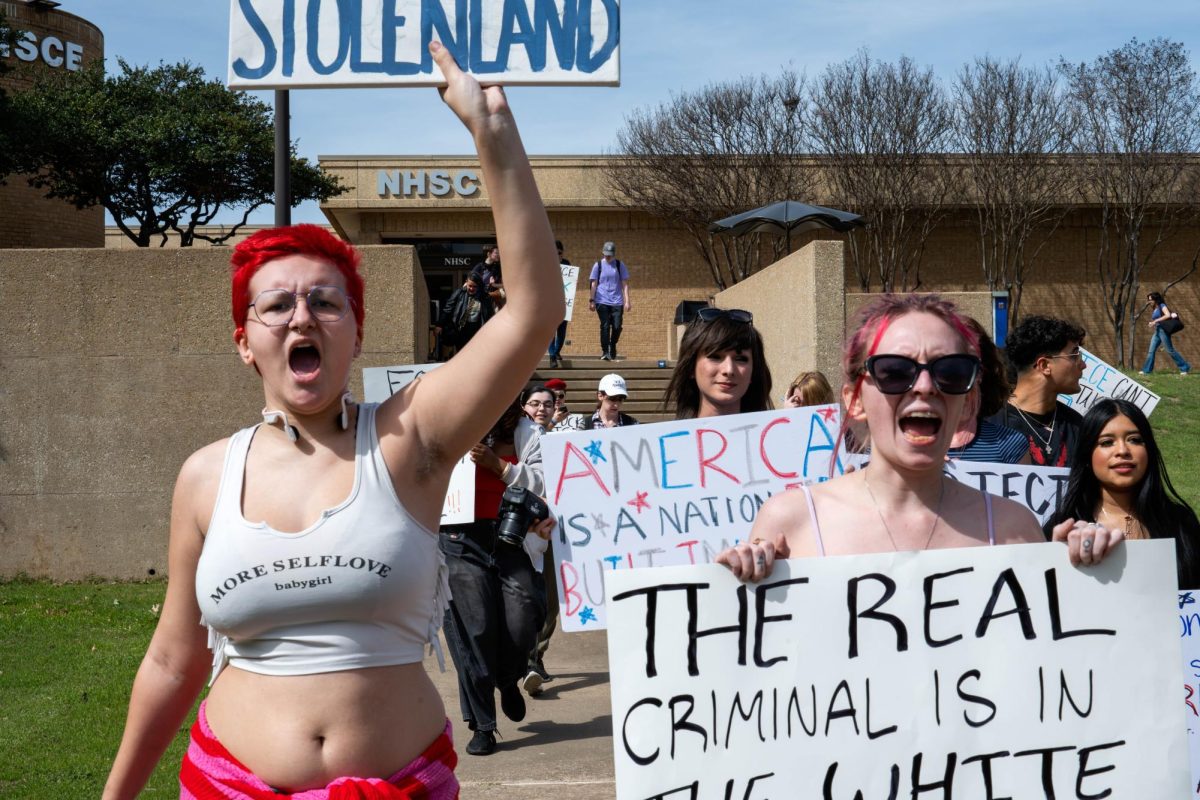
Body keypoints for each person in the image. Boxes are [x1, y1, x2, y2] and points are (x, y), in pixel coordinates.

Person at [103, 42, 564, 799]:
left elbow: (534, 309)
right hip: (228, 785)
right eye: (275, 305)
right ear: (244, 342)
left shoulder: (408, 440)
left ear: (354, 328)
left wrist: (492, 132)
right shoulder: (205, 477)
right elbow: (171, 661)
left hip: (400, 784)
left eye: (324, 300)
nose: (300, 316)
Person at [718, 294, 1109, 582]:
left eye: (951, 371)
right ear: (854, 400)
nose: (924, 386)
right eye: (894, 371)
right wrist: (731, 586)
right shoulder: (791, 521)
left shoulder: (1014, 529)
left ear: (968, 398)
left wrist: (1082, 578)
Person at [441, 395, 552, 756]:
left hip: (511, 538)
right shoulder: (448, 423)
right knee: (473, 630)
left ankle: (509, 677)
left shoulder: (526, 432)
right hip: (457, 539)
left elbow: (547, 484)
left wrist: (499, 467)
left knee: (523, 618)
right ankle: (482, 725)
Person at [1044, 398, 1200, 587]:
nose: (1123, 450)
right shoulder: (1063, 527)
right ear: (1087, 455)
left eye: (1134, 440)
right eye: (1107, 442)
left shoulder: (1181, 522)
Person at [987, 315, 1086, 467]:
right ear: (1045, 365)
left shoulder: (1078, 427)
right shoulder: (990, 428)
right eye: (1074, 356)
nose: (1083, 364)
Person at [663, 307, 773, 419]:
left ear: (753, 371)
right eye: (715, 357)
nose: (729, 370)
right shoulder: (661, 436)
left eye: (740, 359)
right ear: (691, 367)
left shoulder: (779, 435)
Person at [947, 317, 1030, 464]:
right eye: (948, 366)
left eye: (971, 365)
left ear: (984, 372)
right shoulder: (901, 447)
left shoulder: (1009, 444)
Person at [435, 272, 494, 359]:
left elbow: (489, 315)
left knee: (475, 355)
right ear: (466, 282)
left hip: (476, 329)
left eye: (475, 286)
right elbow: (448, 309)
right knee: (462, 355)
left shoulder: (485, 297)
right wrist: (439, 325)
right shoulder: (459, 293)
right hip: (460, 329)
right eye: (470, 286)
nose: (471, 288)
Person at [588, 241, 630, 361]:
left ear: (614, 254)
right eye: (606, 254)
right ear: (603, 252)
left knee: (617, 326)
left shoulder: (619, 265)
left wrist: (627, 301)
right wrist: (591, 300)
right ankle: (605, 351)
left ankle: (613, 345)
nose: (608, 256)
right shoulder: (598, 265)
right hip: (602, 300)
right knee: (605, 326)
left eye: (610, 254)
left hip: (617, 301)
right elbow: (594, 284)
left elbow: (625, 284)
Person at [1140, 291, 1191, 376]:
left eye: (1150, 300)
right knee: (1151, 351)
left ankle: (1185, 367)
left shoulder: (1162, 306)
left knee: (1170, 350)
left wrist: (1155, 321)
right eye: (1148, 300)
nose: (1149, 302)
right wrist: (1153, 323)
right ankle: (1146, 370)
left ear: (1155, 300)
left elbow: (1168, 315)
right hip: (1157, 331)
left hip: (1163, 331)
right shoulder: (1155, 308)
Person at [547, 241, 571, 368]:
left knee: (561, 332)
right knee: (551, 331)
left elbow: (570, 283)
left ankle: (557, 352)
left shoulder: (567, 264)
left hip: (564, 302)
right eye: (554, 253)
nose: (557, 255)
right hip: (550, 302)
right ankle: (552, 356)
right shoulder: (546, 265)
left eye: (559, 253)